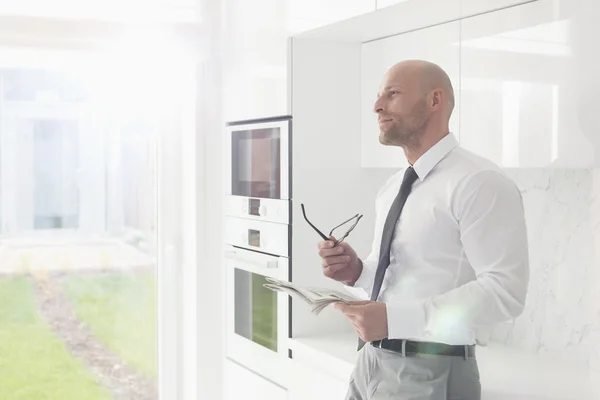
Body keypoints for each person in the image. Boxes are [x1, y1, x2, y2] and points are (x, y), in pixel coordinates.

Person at [317, 60, 530, 400]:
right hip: (370, 362)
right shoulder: (392, 187)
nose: (377, 106)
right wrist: (356, 271)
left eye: (393, 93)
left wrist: (394, 320)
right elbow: (400, 276)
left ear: (435, 101)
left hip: (432, 372)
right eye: (378, 96)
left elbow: (505, 291)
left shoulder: (479, 183)